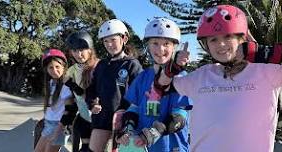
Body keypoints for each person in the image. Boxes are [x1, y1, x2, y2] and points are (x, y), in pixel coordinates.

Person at [155, 5, 282, 152]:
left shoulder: (266, 71)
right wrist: (173, 68)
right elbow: (160, 87)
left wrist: (265, 53)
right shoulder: (201, 76)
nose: (221, 44)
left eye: (228, 36)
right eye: (213, 40)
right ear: (206, 45)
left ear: (242, 38)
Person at [115, 18, 192, 152]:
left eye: (166, 44)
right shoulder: (143, 77)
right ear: (148, 46)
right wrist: (127, 129)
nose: (160, 49)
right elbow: (134, 109)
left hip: (172, 147)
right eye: (155, 43)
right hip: (143, 147)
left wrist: (154, 132)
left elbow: (179, 118)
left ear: (174, 47)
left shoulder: (181, 77)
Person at [85, 19, 143, 152]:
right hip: (102, 118)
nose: (109, 44)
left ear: (124, 38)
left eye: (113, 40)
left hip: (124, 121)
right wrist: (92, 104)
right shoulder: (101, 65)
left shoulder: (132, 65)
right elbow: (91, 89)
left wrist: (126, 116)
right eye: (105, 41)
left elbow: (139, 95)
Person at [64, 31, 99, 152]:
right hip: (83, 114)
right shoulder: (73, 69)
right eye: (74, 51)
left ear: (90, 49)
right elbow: (65, 81)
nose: (78, 54)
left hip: (98, 114)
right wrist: (73, 86)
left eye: (82, 49)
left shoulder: (98, 66)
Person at [34, 49, 72, 152]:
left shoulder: (67, 85)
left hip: (60, 126)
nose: (54, 70)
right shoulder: (51, 83)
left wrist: (60, 128)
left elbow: (69, 110)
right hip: (48, 124)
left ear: (64, 67)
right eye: (50, 67)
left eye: (57, 67)